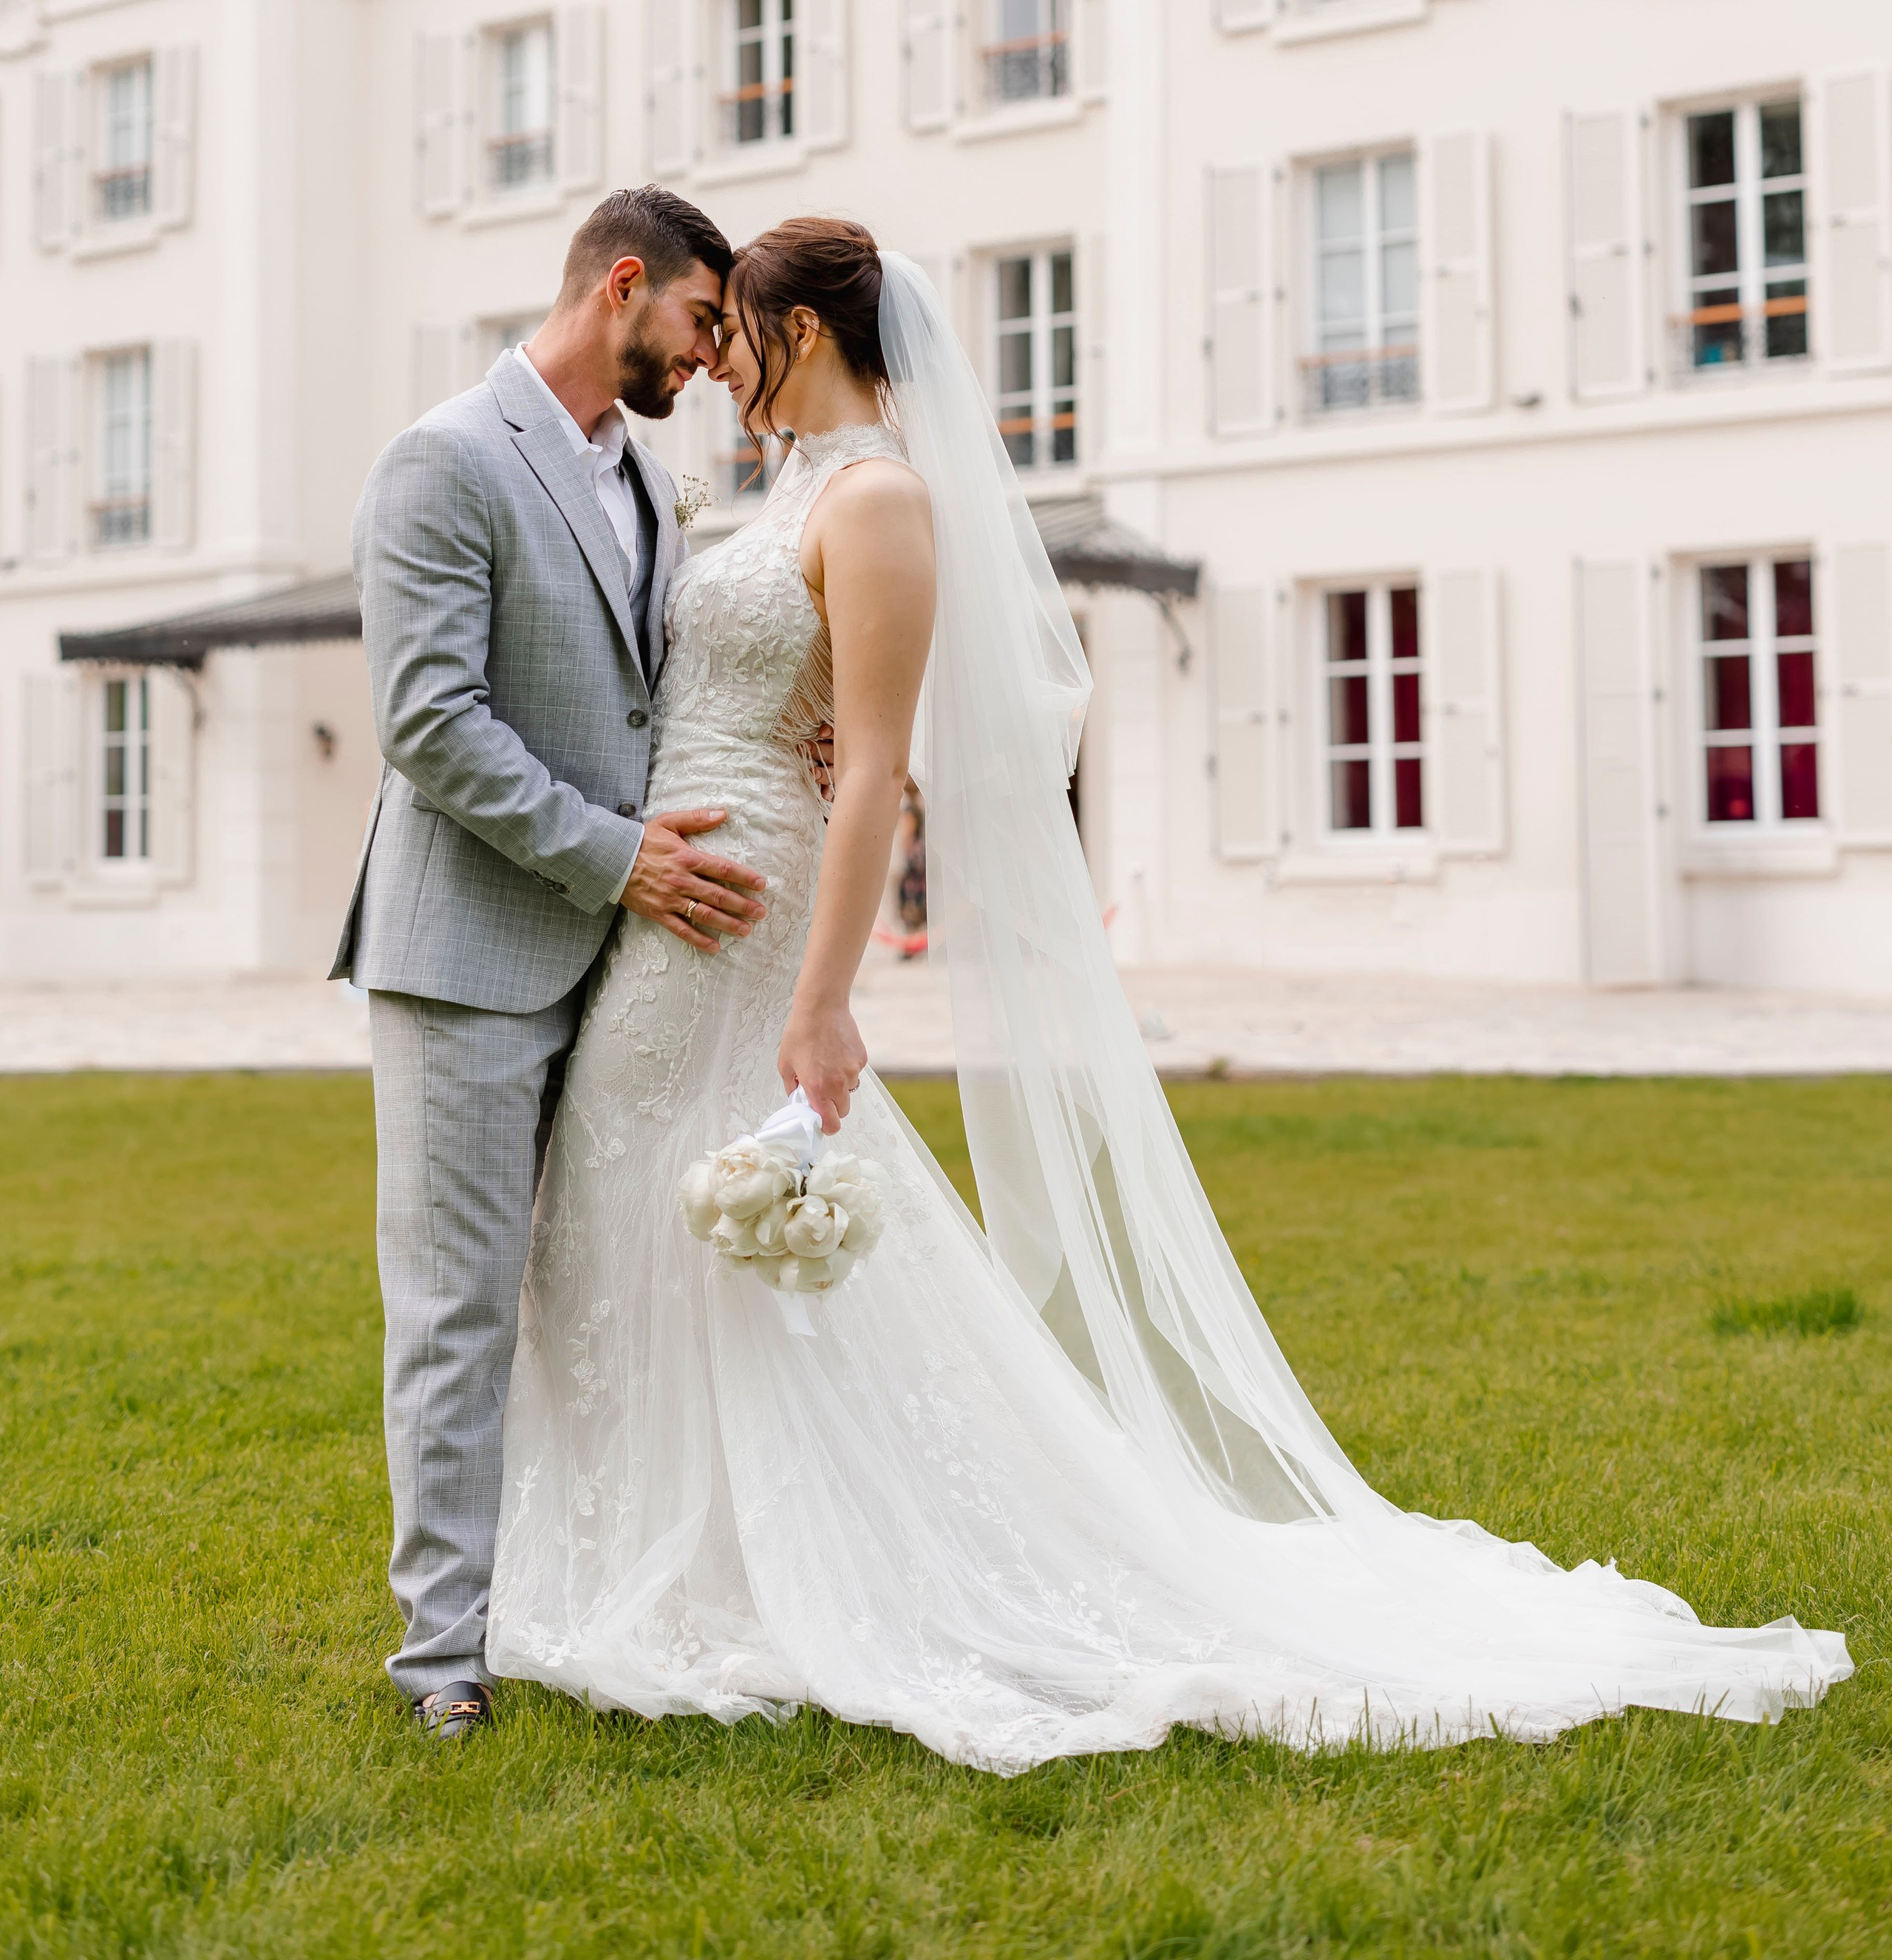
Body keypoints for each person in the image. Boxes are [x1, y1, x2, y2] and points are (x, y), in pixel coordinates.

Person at [488, 219, 1850, 1772]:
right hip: (682, 874)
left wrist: (826, 1002)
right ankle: (650, 1540)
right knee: (609, 1195)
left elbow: (874, 771)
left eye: (734, 328)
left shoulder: (876, 504)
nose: (712, 354)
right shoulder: (782, 492)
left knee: (641, 1183)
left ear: (801, 333)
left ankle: (705, 1563)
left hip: (747, 915)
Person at [335, 183, 773, 1739]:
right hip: (466, 958)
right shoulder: (444, 459)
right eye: (702, 322)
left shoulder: (646, 481)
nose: (712, 356)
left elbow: (657, 694)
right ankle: (441, 1658)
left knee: (602, 1291)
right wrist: (619, 860)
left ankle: (592, 1592)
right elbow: (430, 721)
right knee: (458, 1310)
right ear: (624, 287)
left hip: (622, 967)